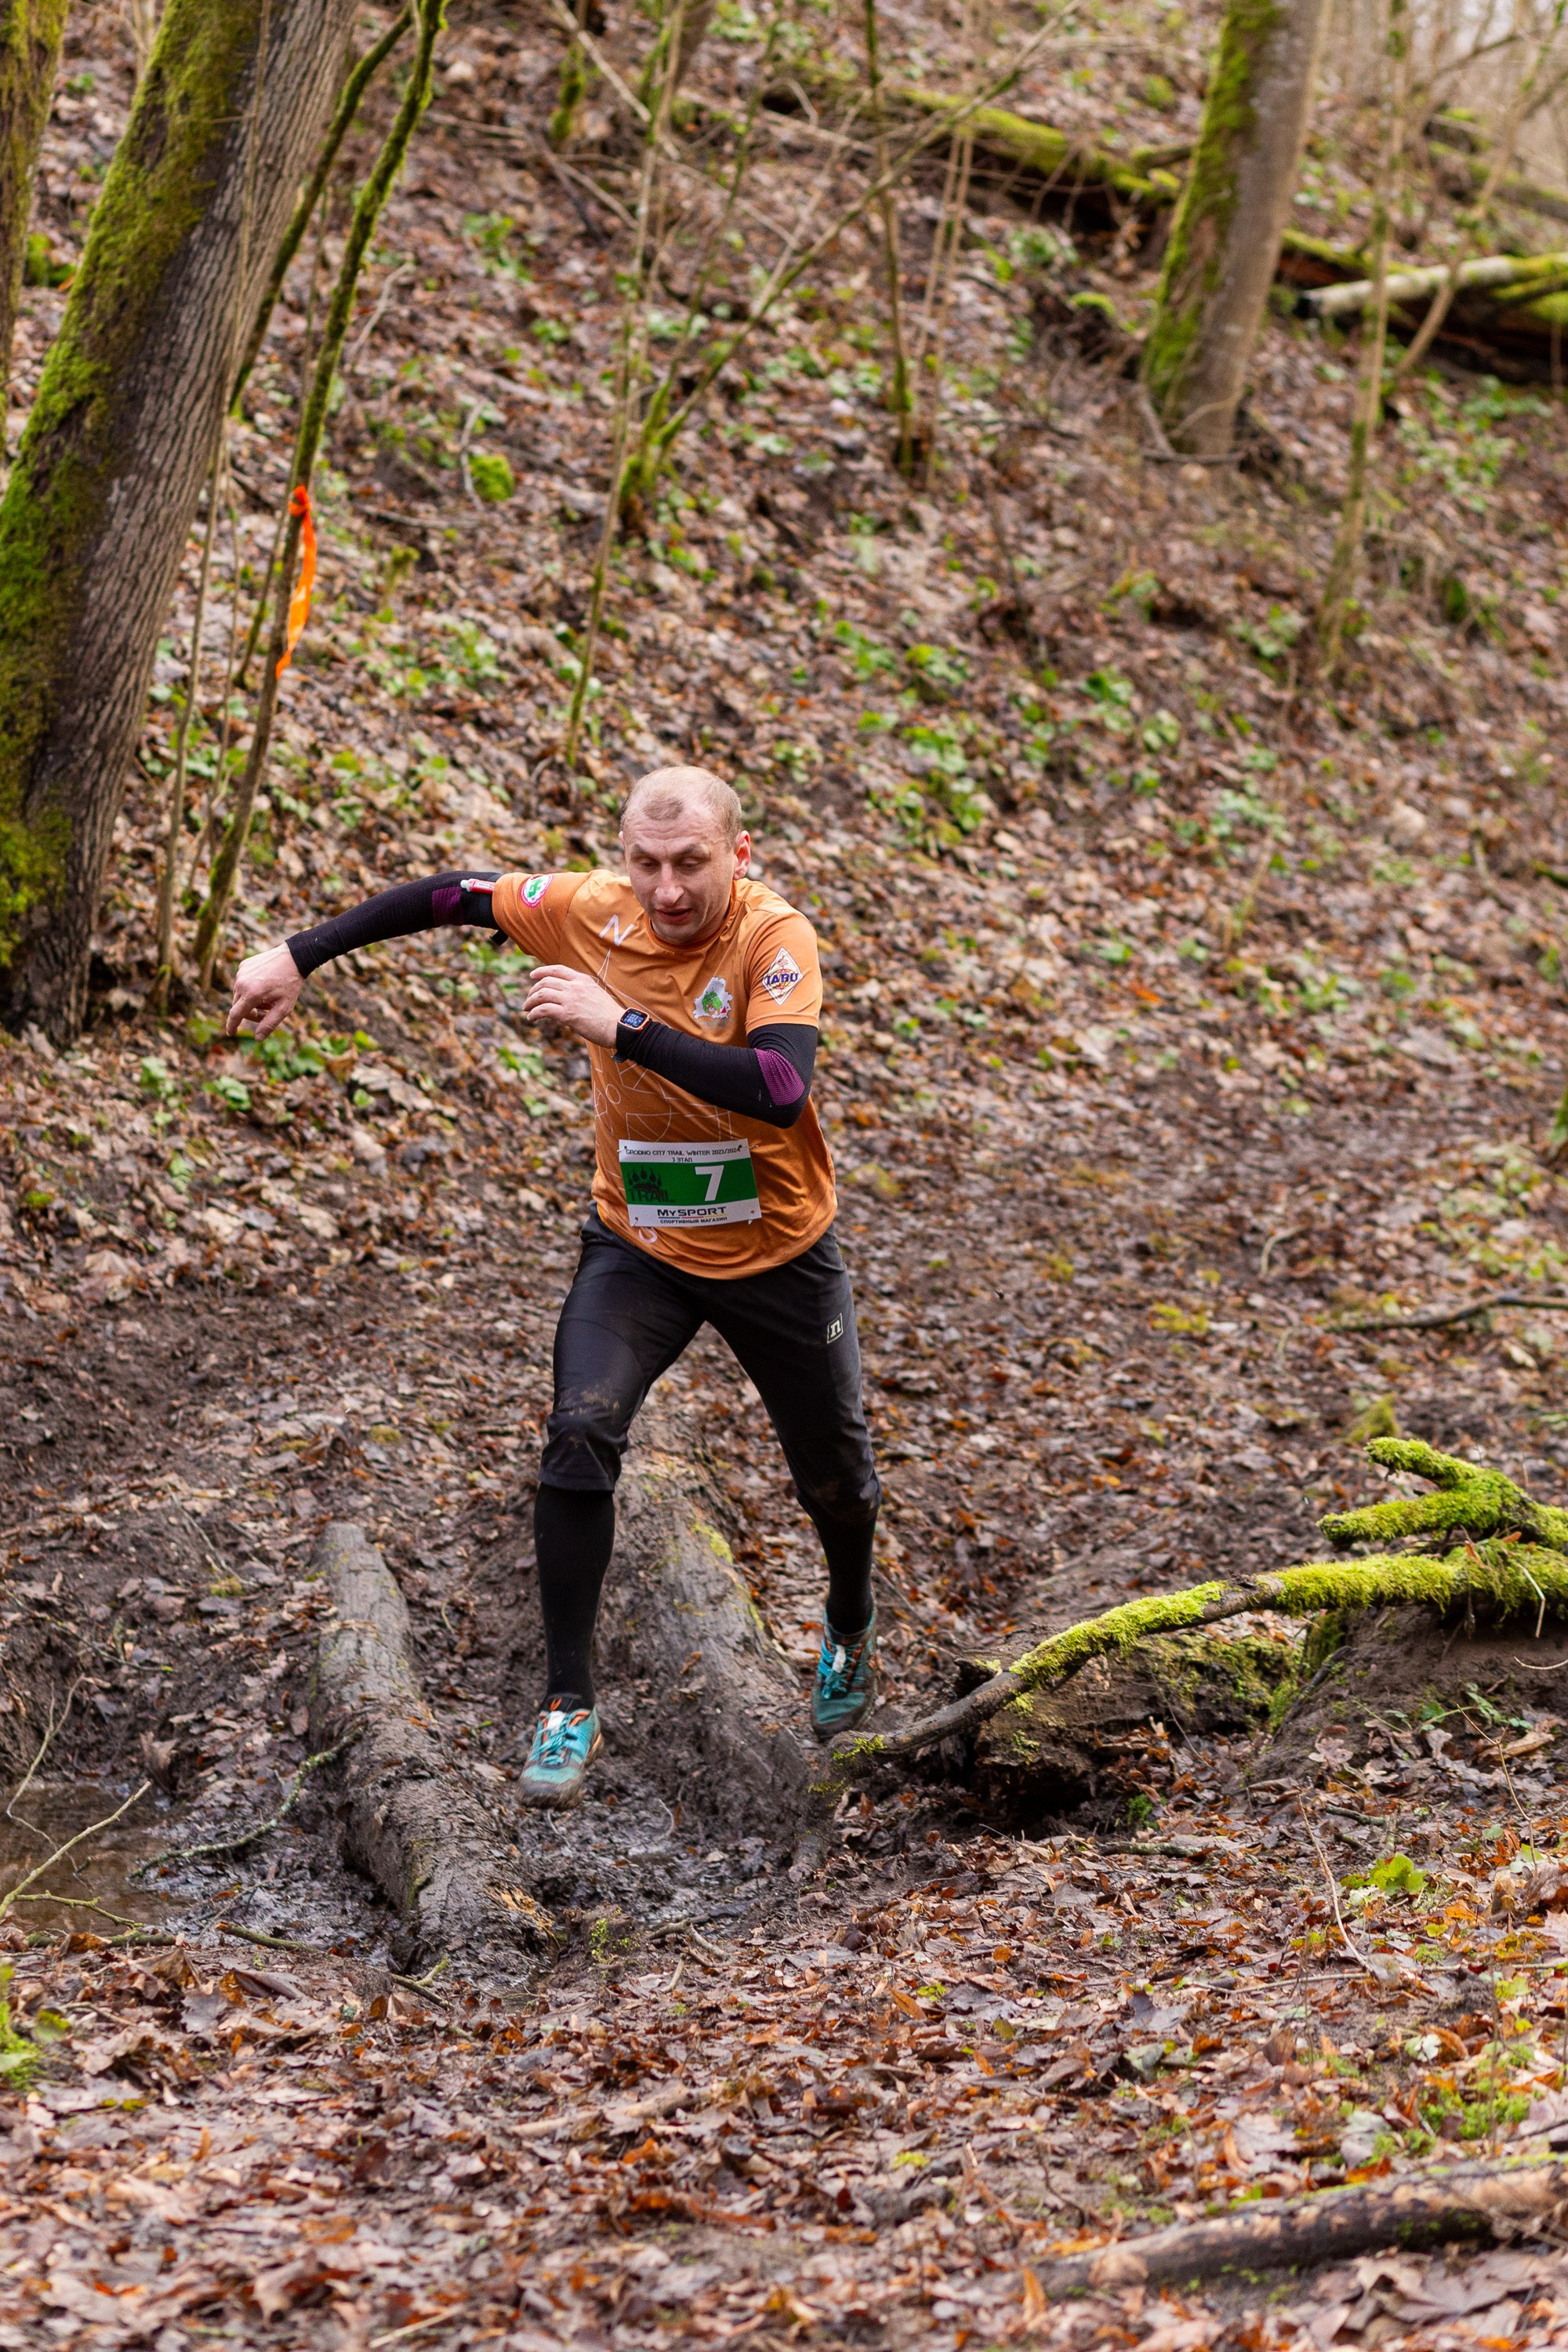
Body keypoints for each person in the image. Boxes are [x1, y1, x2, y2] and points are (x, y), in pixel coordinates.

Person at [226, 765, 882, 1807]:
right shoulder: (591, 911)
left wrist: (617, 1024)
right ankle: (569, 1705)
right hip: (642, 1246)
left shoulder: (773, 938)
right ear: (624, 856)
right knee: (580, 1429)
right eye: (646, 863)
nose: (666, 890)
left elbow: (778, 1087)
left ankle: (848, 1619)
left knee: (839, 1483)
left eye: (691, 865)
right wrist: (297, 954)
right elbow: (448, 897)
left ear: (739, 856)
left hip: (777, 1254)